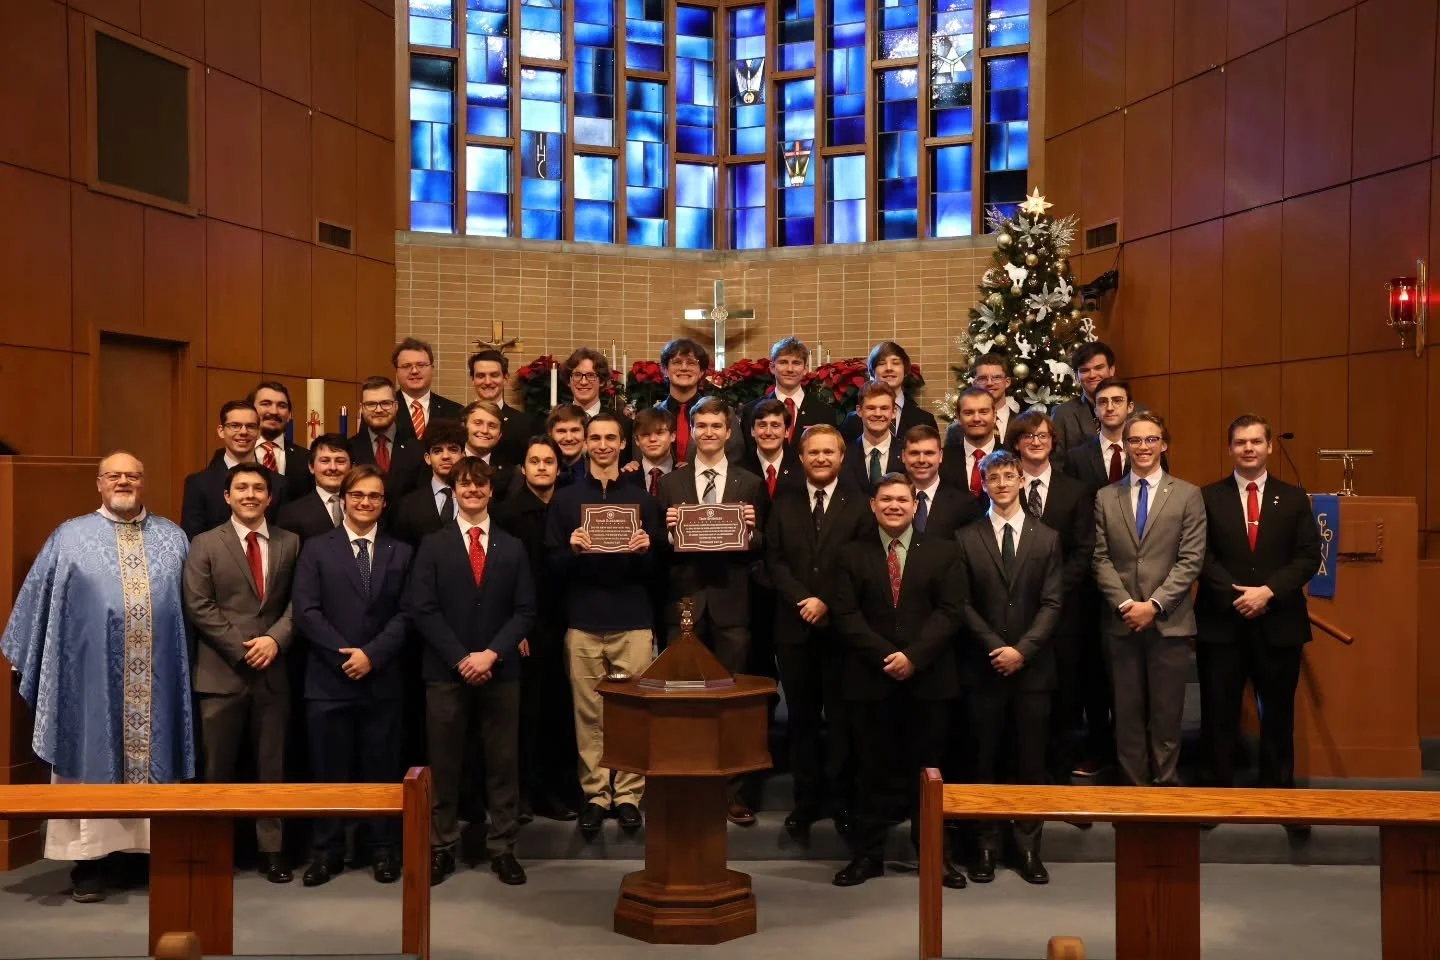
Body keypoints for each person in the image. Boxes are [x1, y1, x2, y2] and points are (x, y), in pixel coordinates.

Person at [1, 452, 195, 903]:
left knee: (156, 761)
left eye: (133, 475)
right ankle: (90, 862)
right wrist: (25, 657)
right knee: (92, 759)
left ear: (144, 482)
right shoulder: (69, 536)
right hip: (89, 681)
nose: (124, 482)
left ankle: (144, 855)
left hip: (160, 682)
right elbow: (38, 598)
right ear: (99, 483)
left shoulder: (173, 537)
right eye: (114, 475)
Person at [405, 457, 536, 886]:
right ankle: (442, 847)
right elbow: (422, 608)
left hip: (500, 672)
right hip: (446, 671)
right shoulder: (433, 544)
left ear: (490, 491)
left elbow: (524, 611)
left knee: (503, 763)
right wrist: (462, 657)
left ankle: (503, 847)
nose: (473, 491)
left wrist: (490, 655)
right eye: (466, 484)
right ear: (455, 490)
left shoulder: (512, 546)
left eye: (481, 484)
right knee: (443, 764)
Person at [829, 473, 962, 888]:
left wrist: (914, 657)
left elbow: (952, 610)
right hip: (870, 679)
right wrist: (888, 657)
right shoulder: (850, 554)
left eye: (902, 499)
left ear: (915, 504)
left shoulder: (943, 551)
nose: (893, 506)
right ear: (873, 505)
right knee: (870, 770)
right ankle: (868, 856)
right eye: (885, 499)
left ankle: (933, 856)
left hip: (929, 680)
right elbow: (846, 615)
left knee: (929, 774)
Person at [292, 465, 413, 886]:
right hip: (328, 681)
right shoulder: (316, 549)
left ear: (384, 503)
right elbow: (306, 611)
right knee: (328, 771)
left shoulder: (401, 551)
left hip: (382, 679)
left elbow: (407, 612)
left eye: (374, 496)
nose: (365, 502)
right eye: (358, 495)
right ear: (343, 499)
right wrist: (345, 655)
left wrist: (372, 655)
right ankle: (327, 852)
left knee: (381, 770)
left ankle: (382, 849)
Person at [1196, 415, 1322, 821]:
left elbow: (1307, 557)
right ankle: (1217, 799)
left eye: (1255, 442)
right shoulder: (1208, 497)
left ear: (1269, 447)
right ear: (1230, 448)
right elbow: (1201, 556)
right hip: (1223, 622)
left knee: (1279, 715)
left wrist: (1267, 592)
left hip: (1278, 621)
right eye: (1240, 442)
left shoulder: (1294, 497)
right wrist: (1238, 595)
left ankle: (1278, 798)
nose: (1248, 448)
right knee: (1219, 715)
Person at [545, 412, 663, 838]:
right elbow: (550, 565)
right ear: (586, 444)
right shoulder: (565, 498)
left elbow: (659, 572)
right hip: (583, 620)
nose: (601, 444)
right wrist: (572, 550)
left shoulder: (644, 501)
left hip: (632, 619)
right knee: (589, 714)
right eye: (594, 437)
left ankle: (629, 794)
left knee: (632, 712)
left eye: (610, 437)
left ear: (622, 442)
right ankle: (596, 794)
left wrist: (647, 550)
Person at [182, 463, 300, 884]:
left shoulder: (291, 543)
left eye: (258, 489)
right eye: (242, 488)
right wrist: (240, 648)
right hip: (221, 673)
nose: (250, 494)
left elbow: (297, 604)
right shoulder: (203, 543)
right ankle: (215, 848)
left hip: (273, 671)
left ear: (270, 497)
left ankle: (272, 850)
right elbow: (198, 605)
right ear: (228, 496)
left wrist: (275, 640)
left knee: (272, 767)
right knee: (217, 769)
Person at [954, 450, 1062, 886]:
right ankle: (985, 846)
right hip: (984, 667)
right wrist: (997, 648)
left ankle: (1027, 849)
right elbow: (961, 603)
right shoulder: (967, 537)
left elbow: (1053, 602)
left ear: (1021, 480)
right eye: (992, 477)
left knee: (1030, 761)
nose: (1001, 483)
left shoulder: (1048, 537)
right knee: (984, 760)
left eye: (1008, 476)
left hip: (1033, 669)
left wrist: (1024, 649)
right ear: (983, 483)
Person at [764, 424, 875, 840]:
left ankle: (843, 802)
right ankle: (805, 802)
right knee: (802, 722)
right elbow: (774, 561)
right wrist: (802, 600)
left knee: (844, 721)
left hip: (842, 632)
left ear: (842, 458)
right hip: (794, 630)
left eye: (830, 452)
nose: (822, 458)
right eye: (814, 452)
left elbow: (863, 562)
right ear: (802, 457)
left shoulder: (861, 505)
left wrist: (825, 600)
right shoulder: (784, 503)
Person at [657, 398, 765, 824]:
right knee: (681, 703)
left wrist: (749, 531)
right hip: (684, 602)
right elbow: (658, 549)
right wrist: (668, 533)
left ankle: (733, 792)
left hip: (732, 604)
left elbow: (763, 547)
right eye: (700, 425)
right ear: (692, 430)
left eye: (716, 425)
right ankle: (686, 790)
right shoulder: (670, 484)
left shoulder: (749, 484)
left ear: (728, 430)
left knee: (731, 704)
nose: (708, 432)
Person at [1092, 412, 1206, 788]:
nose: (1143, 447)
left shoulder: (1188, 494)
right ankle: (1133, 791)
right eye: (1135, 440)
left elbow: (1191, 559)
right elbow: (1100, 557)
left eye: (1150, 439)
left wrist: (1153, 605)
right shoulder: (1106, 497)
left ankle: (1166, 784)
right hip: (1121, 622)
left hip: (1168, 623)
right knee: (1126, 714)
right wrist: (1127, 605)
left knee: (1167, 713)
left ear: (1163, 444)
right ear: (1124, 446)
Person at [493, 437, 581, 822]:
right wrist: (518, 630)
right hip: (529, 626)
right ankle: (527, 793)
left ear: (558, 468)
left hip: (573, 618)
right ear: (523, 468)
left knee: (563, 711)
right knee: (529, 714)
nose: (542, 467)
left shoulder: (570, 506)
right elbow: (505, 578)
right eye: (535, 461)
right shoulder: (508, 514)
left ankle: (560, 790)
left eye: (549, 461)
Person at [1006, 412, 1097, 786]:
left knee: (1064, 700)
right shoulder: (1003, 486)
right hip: (1012, 615)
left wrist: (1052, 593)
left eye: (1042, 435)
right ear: (1016, 443)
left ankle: (1059, 781)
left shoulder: (1075, 490)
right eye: (1027, 436)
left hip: (1063, 615)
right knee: (1019, 702)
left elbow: (1083, 550)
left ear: (1053, 441)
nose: (1036, 441)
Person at [182, 401, 275, 539]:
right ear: (221, 431)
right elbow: (193, 540)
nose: (243, 432)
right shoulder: (198, 483)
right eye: (235, 426)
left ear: (258, 432)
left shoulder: (278, 482)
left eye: (250, 426)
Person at [655, 337, 744, 463]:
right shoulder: (652, 415)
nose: (684, 368)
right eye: (677, 362)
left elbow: (736, 459)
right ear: (665, 369)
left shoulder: (725, 413)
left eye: (691, 363)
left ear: (701, 371)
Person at [742, 337, 837, 451]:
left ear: (805, 369)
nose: (790, 369)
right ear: (772, 367)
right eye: (783, 362)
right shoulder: (750, 410)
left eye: (796, 363)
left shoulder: (825, 412)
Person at [391, 420, 467, 547]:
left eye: (453, 450)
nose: (445, 456)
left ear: (463, 456)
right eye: (437, 451)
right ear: (427, 458)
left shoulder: (476, 498)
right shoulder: (408, 505)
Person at [348, 376, 426, 501]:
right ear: (361, 408)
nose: (379, 410)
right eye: (371, 404)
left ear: (396, 406)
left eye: (385, 403)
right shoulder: (349, 449)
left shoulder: (418, 449)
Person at [840, 341, 936, 442]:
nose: (889, 368)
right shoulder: (853, 420)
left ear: (905, 370)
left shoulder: (925, 420)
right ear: (872, 372)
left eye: (895, 363)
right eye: (881, 363)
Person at [901, 424, 982, 539]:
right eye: (914, 453)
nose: (921, 460)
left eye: (929, 453)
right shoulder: (887, 497)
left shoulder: (964, 503)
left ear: (940, 456)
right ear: (904, 456)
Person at [276, 434, 352, 543]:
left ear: (352, 467)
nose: (333, 467)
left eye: (340, 461)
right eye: (325, 461)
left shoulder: (365, 506)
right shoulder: (291, 513)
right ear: (311, 467)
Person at [470, 349, 539, 466]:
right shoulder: (459, 419)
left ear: (505, 378)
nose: (487, 381)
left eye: (494, 375)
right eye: (481, 376)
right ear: (473, 380)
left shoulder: (524, 423)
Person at [563, 347, 634, 461]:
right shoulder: (558, 421)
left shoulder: (622, 423)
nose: (583, 381)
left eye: (591, 375)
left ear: (601, 381)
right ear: (569, 380)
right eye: (577, 375)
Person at [1064, 377, 1134, 491]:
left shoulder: (1147, 450)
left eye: (1117, 400)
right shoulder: (1076, 458)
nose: (1110, 408)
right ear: (1096, 410)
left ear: (1130, 407)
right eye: (1102, 402)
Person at [249, 381, 313, 501]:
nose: (274, 412)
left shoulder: (306, 458)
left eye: (282, 406)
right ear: (251, 410)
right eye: (266, 404)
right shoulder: (232, 455)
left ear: (289, 415)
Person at [395, 337, 465, 442]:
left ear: (432, 369)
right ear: (396, 371)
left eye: (421, 365)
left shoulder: (455, 412)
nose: (414, 371)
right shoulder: (384, 409)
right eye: (406, 366)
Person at [841, 381, 904, 493]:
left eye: (884, 408)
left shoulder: (906, 453)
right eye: (871, 408)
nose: (878, 414)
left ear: (894, 412)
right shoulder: (843, 455)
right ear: (859, 411)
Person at [939, 387, 998, 497]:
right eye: (968, 413)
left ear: (994, 416)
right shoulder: (941, 460)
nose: (976, 418)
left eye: (983, 412)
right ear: (959, 417)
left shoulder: (1012, 456)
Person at [744, 397, 804, 499]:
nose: (768, 432)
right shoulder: (740, 468)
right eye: (762, 425)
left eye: (775, 426)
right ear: (752, 431)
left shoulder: (802, 469)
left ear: (787, 431)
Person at [969, 354, 1020, 442]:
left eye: (997, 377)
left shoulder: (1022, 425)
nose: (990, 383)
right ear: (974, 383)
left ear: (1007, 382)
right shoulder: (959, 429)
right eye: (983, 378)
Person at [632, 407, 678, 494]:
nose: (652, 439)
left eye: (660, 433)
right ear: (637, 440)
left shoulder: (688, 476)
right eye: (645, 434)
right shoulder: (625, 478)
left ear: (672, 436)